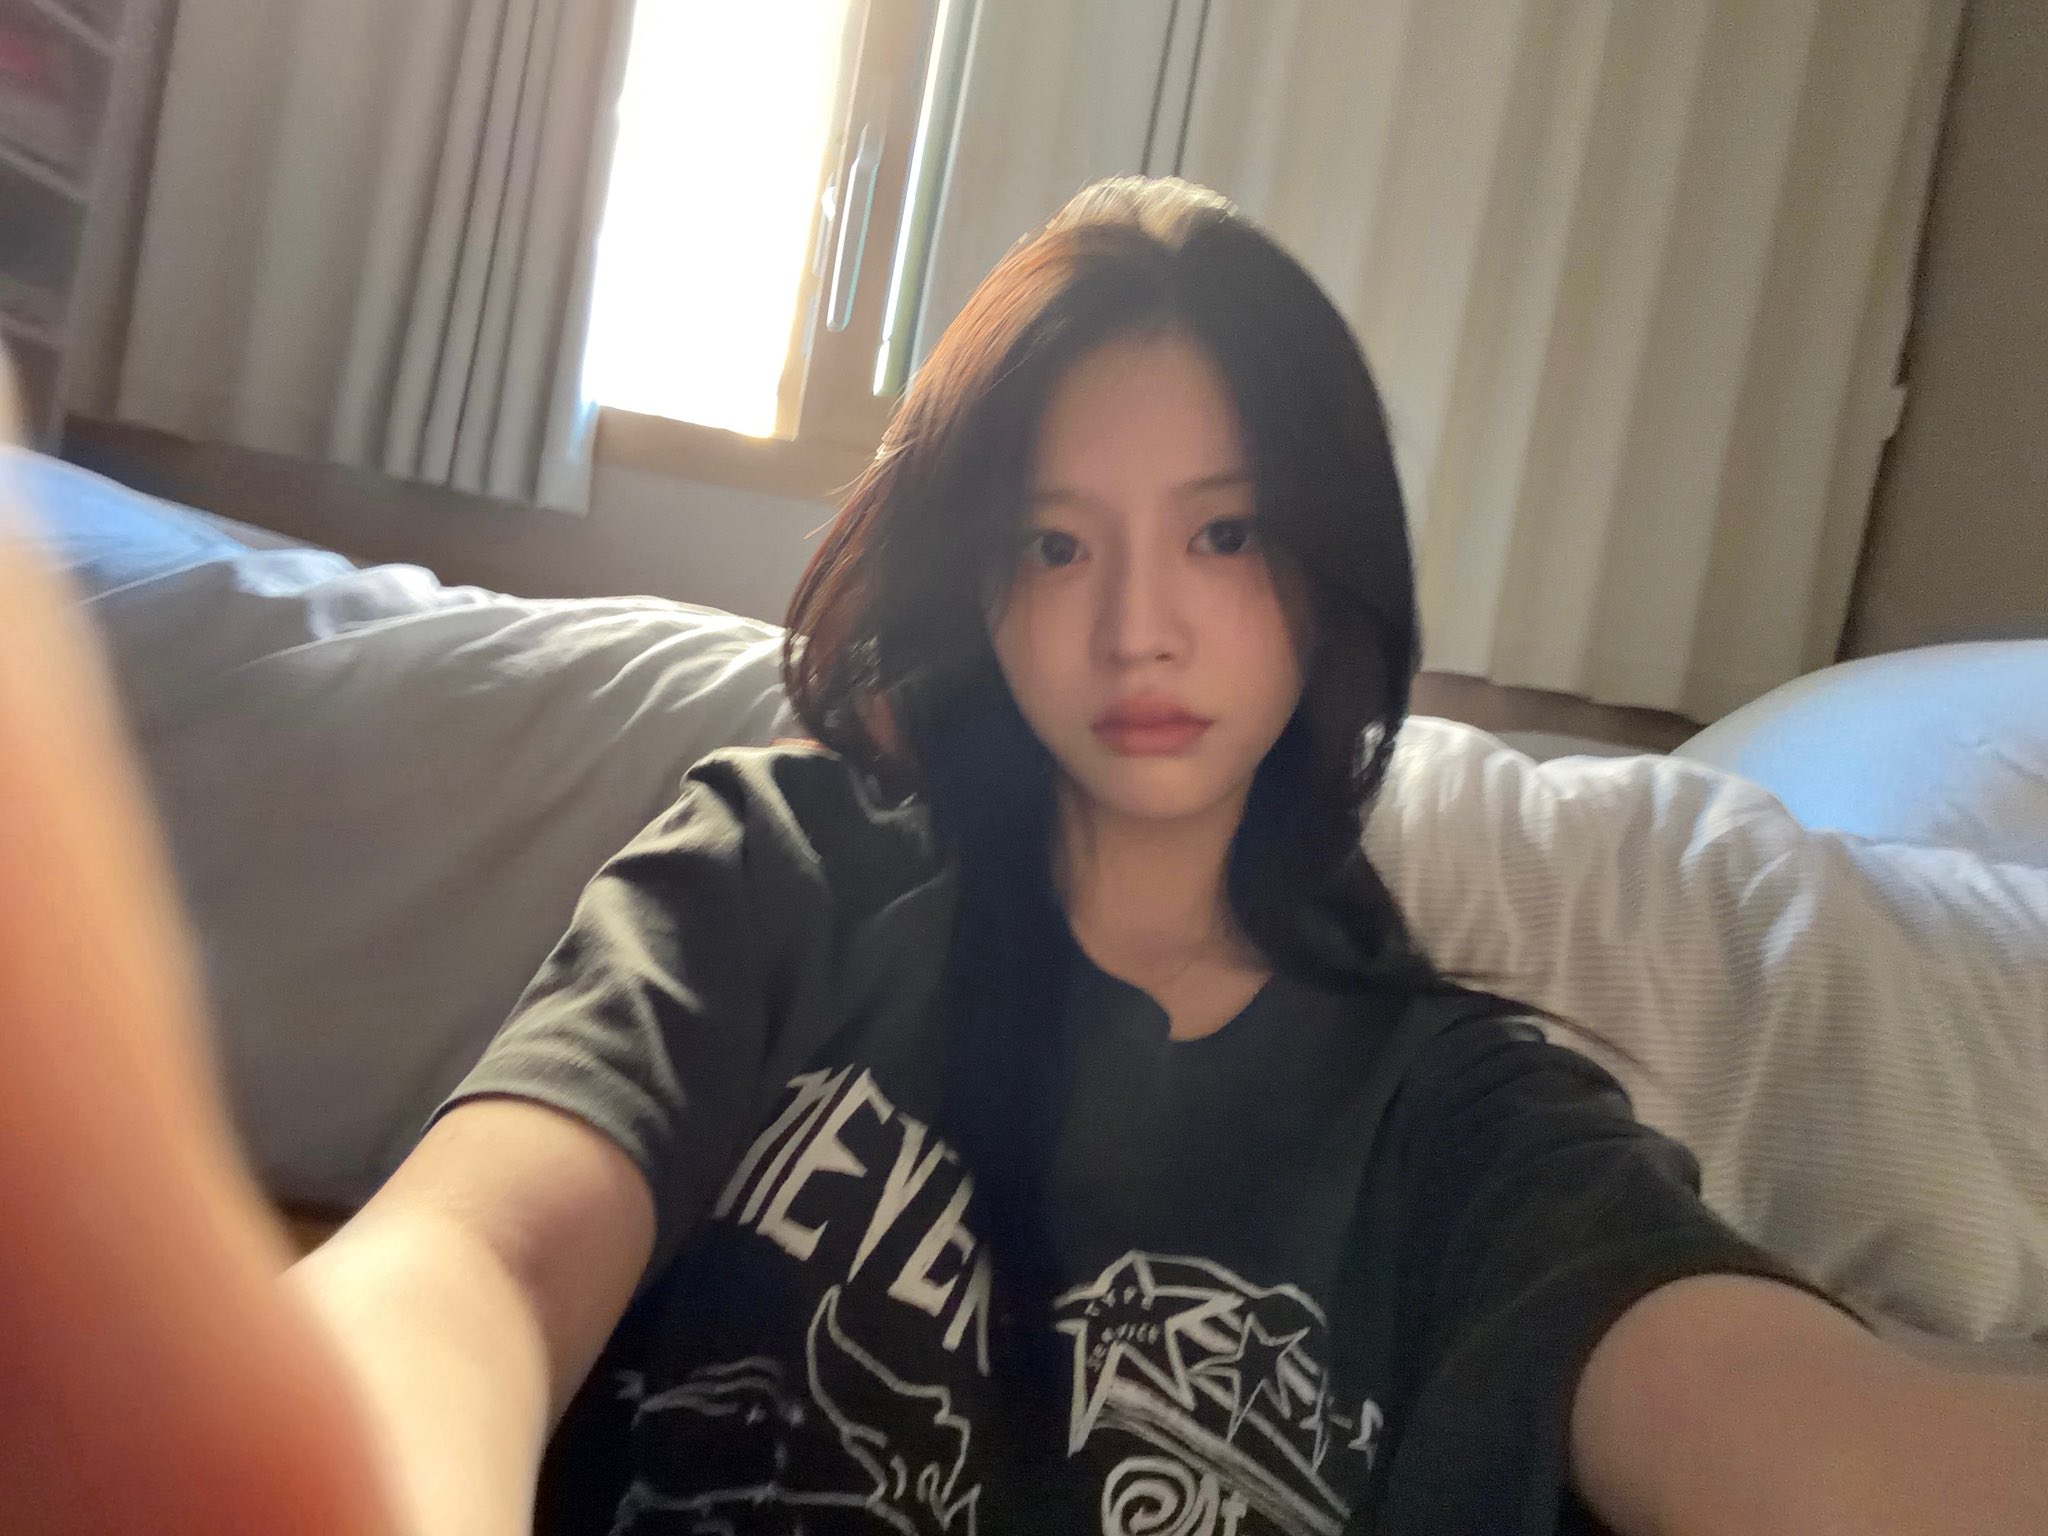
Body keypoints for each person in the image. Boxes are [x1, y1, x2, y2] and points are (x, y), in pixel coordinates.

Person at [3, 181, 2043, 1535]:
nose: (1137, 627)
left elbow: (1815, 1438)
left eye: (1221, 534)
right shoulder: (783, 870)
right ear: (981, 580)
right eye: (1058, 544)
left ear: (1327, 569)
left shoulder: (1463, 1127)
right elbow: (476, 1257)